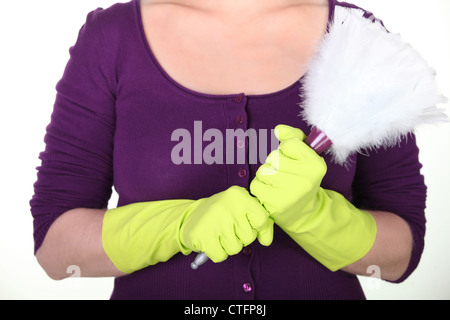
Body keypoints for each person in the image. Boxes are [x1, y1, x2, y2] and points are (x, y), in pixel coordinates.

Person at [30, 0, 427, 300]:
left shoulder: (353, 35)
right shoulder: (112, 38)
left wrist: (313, 215)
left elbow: (400, 256)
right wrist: (181, 225)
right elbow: (56, 250)